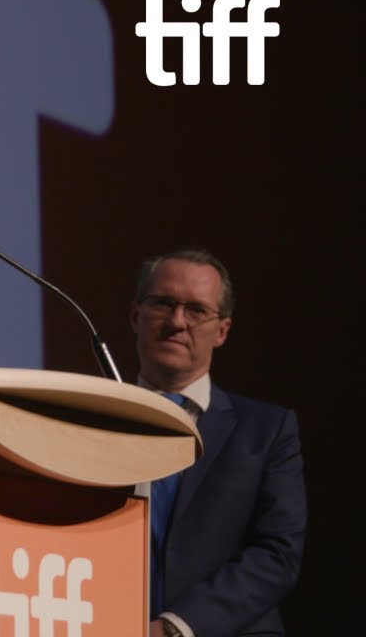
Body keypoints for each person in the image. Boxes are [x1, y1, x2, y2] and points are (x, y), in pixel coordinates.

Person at [131, 249, 305, 637]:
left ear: (222, 331)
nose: (177, 322)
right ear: (135, 316)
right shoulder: (89, 421)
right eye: (163, 304)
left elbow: (277, 553)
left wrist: (176, 627)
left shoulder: (267, 430)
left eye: (196, 310)